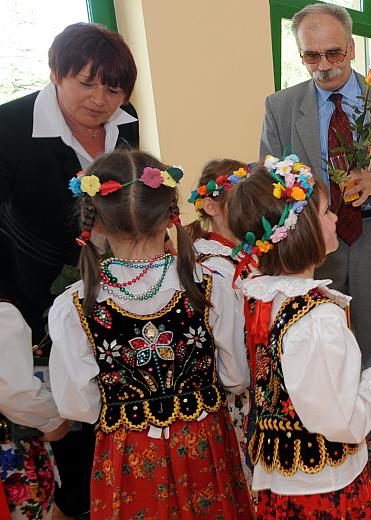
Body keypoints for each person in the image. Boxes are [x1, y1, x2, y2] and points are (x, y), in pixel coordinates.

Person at [258, 3, 371, 484]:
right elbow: (271, 182)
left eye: (332, 53)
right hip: (312, 245)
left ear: (353, 48)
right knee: (316, 344)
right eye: (310, 57)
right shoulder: (280, 106)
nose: (323, 65)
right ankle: (327, 436)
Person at [48, 150, 253, 519]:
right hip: (204, 447)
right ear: (169, 214)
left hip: (127, 454)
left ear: (98, 222)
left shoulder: (74, 305)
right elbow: (237, 378)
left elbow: (77, 405)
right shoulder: (209, 287)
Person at [0, 23, 139, 517]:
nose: (101, 100)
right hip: (32, 292)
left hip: (112, 290)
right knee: (66, 419)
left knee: (110, 404)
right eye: (86, 83)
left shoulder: (128, 122)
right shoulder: (11, 126)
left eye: (114, 88)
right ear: (55, 73)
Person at [227, 155, 371, 518]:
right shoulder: (318, 318)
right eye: (325, 212)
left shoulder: (261, 297)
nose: (337, 217)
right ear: (299, 230)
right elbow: (339, 420)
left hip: (282, 477)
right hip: (323, 484)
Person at [185, 159, 256, 501]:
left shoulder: (244, 255)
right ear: (211, 206)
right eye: (240, 201)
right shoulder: (214, 268)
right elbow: (231, 357)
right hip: (237, 397)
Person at [0, 293, 70, 520]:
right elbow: (15, 392)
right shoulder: (3, 314)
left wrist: (17, 359)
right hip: (9, 451)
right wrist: (54, 419)